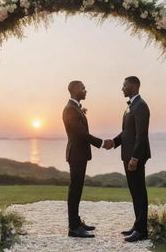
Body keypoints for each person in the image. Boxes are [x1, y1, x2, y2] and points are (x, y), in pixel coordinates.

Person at [62, 80, 113, 238]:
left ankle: (76, 221)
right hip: (76, 155)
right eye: (83, 88)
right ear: (76, 90)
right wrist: (102, 143)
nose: (86, 90)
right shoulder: (70, 109)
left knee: (78, 189)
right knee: (75, 190)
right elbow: (81, 134)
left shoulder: (75, 108)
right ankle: (73, 228)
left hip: (80, 154)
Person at [113, 76, 151, 242]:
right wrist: (113, 142)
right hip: (127, 156)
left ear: (134, 86)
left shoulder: (141, 106)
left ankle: (142, 231)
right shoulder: (130, 107)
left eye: (124, 85)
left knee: (139, 193)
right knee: (134, 193)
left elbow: (141, 135)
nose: (122, 88)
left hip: (135, 157)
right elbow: (127, 133)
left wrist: (135, 157)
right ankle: (137, 225)